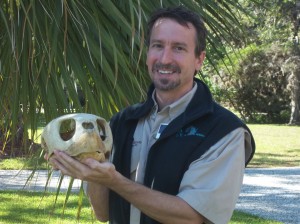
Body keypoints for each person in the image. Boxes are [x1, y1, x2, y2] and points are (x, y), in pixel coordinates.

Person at [47, 6, 255, 224]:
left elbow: (190, 217)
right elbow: (103, 213)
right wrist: (93, 171)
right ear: (147, 54)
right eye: (157, 45)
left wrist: (115, 181)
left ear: (199, 60)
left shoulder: (224, 131)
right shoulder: (121, 122)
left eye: (179, 48)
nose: (165, 58)